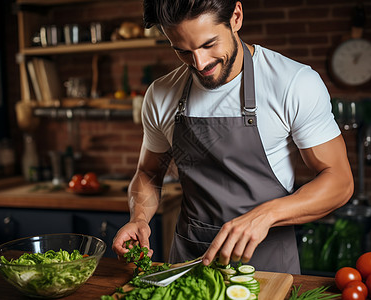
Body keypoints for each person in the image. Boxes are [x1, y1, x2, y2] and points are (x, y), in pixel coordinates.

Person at [112, 0, 354, 274]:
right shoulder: (161, 94)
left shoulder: (293, 83)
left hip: (267, 264)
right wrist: (139, 218)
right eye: (183, 51)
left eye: (208, 44)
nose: (200, 63)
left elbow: (339, 181)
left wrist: (267, 215)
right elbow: (148, 172)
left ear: (236, 17)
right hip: (189, 262)